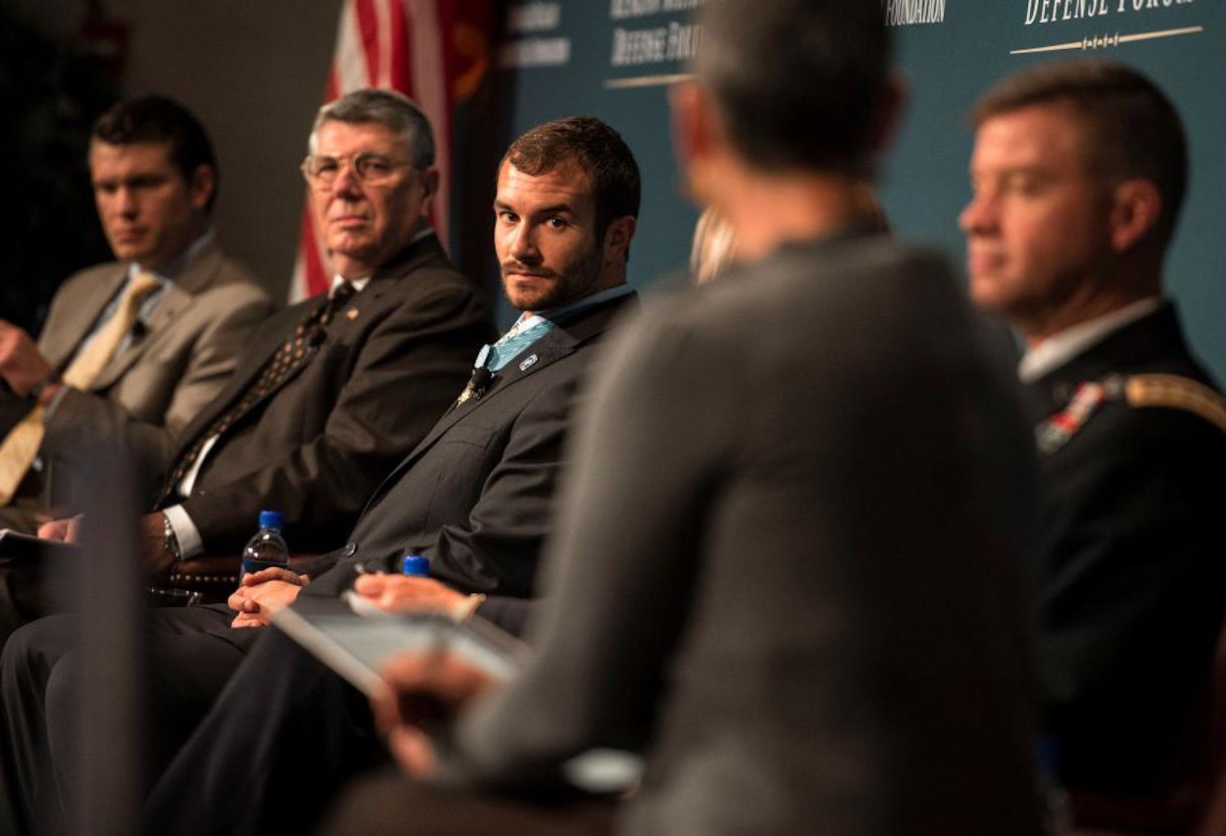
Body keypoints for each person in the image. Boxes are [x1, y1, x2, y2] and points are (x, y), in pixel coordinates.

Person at [339, 1, 1045, 834]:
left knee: (382, 812)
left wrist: (461, 745)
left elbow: (574, 704)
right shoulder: (987, 347)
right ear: (889, 114)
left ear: (694, 125)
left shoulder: (684, 345)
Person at [0, 114, 641, 836]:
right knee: (29, 649)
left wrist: (322, 599)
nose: (519, 245)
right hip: (325, 597)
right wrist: (308, 582)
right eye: (507, 216)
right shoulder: (530, 344)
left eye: (555, 222)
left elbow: (490, 554)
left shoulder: (598, 368)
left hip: (374, 648)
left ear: (618, 236)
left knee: (82, 677)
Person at [960, 60, 1226, 810]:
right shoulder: (1034, 406)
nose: (976, 218)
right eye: (981, 185)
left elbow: (1065, 715)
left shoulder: (1157, 432)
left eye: (1022, 186)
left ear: (1127, 216)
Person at [0, 95, 274, 536]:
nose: (123, 208)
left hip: (73, 521)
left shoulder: (237, 306)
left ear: (199, 187)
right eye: (107, 187)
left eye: (144, 183)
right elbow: (31, 440)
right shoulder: (84, 287)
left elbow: (177, 462)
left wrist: (48, 387)